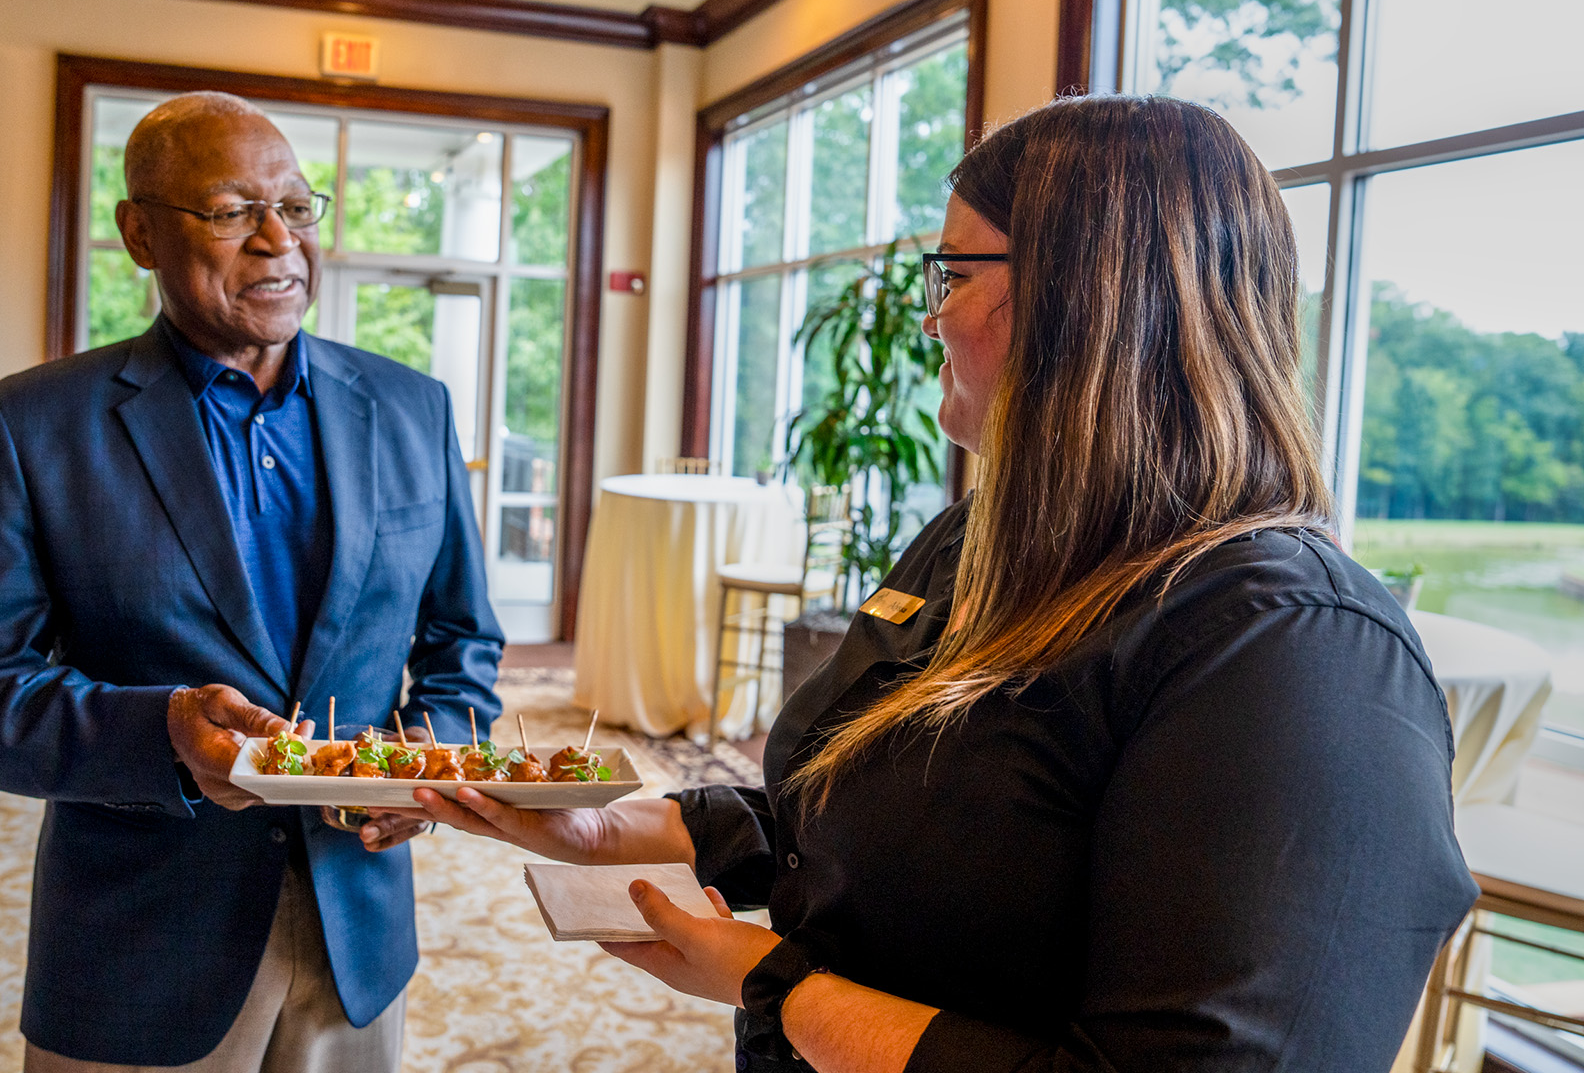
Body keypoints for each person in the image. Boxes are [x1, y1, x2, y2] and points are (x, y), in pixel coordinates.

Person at [401, 96, 1477, 1071]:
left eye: (954, 275)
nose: (932, 317)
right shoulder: (978, 541)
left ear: (1083, 298)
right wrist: (604, 829)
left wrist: (777, 988)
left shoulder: (1289, 647)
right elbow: (872, 814)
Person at [0, 91, 502, 1072]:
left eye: (298, 208)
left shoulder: (413, 408)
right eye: (232, 212)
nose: (280, 241)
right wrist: (165, 734)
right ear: (139, 234)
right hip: (140, 948)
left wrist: (432, 754)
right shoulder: (32, 426)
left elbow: (463, 641)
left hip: (358, 936)